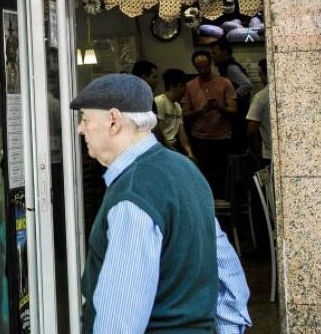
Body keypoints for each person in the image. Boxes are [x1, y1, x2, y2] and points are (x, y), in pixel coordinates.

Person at [71, 74, 251, 333]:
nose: (80, 129)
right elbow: (227, 272)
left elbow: (119, 318)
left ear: (113, 120)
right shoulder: (185, 168)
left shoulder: (133, 194)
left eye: (86, 119)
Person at [182, 50, 238, 198]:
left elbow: (234, 110)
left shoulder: (224, 83)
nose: (203, 70)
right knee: (203, 175)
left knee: (222, 175)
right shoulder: (189, 86)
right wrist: (201, 111)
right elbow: (185, 114)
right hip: (199, 137)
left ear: (210, 64)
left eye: (205, 66)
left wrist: (219, 107)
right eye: (199, 67)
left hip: (222, 137)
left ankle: (222, 200)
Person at [155, 69, 196, 160]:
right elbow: (159, 134)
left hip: (173, 146)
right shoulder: (159, 102)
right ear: (176, 86)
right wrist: (177, 155)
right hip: (162, 148)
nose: (185, 89)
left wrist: (189, 153)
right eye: (183, 85)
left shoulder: (177, 106)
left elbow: (182, 133)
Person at [210, 40, 253, 114]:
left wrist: (232, 97)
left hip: (239, 112)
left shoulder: (231, 68)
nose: (212, 56)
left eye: (215, 53)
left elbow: (247, 84)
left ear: (225, 53)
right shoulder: (226, 67)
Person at [246, 59, 271, 166]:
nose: (260, 78)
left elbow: (252, 129)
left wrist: (253, 150)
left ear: (266, 74)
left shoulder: (260, 97)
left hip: (270, 153)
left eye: (260, 74)